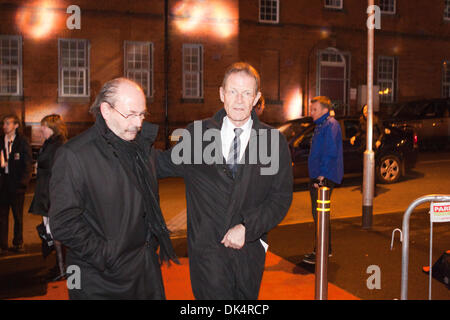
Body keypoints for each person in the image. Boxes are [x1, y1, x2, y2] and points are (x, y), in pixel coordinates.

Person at [157, 62, 293, 299]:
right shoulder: (197, 136)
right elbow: (157, 165)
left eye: (247, 93)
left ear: (256, 98)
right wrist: (120, 140)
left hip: (249, 251)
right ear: (221, 94)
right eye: (233, 92)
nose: (239, 100)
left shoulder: (273, 142)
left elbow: (280, 199)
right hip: (209, 255)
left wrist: (248, 227)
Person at [48, 78, 178, 299]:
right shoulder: (74, 155)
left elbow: (173, 161)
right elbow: (63, 223)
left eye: (142, 114)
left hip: (146, 272)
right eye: (130, 114)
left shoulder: (140, 149)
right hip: (99, 279)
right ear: (106, 110)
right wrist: (107, 255)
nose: (138, 123)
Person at [302, 96, 343, 265]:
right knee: (319, 213)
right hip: (319, 174)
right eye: (311, 109)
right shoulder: (321, 125)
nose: (311, 113)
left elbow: (330, 151)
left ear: (325, 110)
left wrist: (322, 176)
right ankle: (325, 249)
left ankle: (323, 250)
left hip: (323, 176)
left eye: (314, 110)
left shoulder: (330, 125)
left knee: (319, 214)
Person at [29, 114, 67, 280]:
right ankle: (59, 266)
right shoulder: (50, 143)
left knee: (56, 232)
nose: (41, 129)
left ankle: (62, 269)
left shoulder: (58, 145)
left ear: (52, 127)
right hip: (46, 194)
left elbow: (59, 173)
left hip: (52, 196)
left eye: (43, 126)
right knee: (51, 232)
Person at [0, 114, 32, 254]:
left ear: (16, 125)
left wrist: (23, 183)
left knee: (18, 216)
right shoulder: (1, 140)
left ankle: (18, 242)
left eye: (8, 123)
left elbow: (27, 164)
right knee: (2, 216)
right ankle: (2, 245)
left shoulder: (22, 141)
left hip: (17, 185)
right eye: (4, 123)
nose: (4, 126)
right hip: (3, 183)